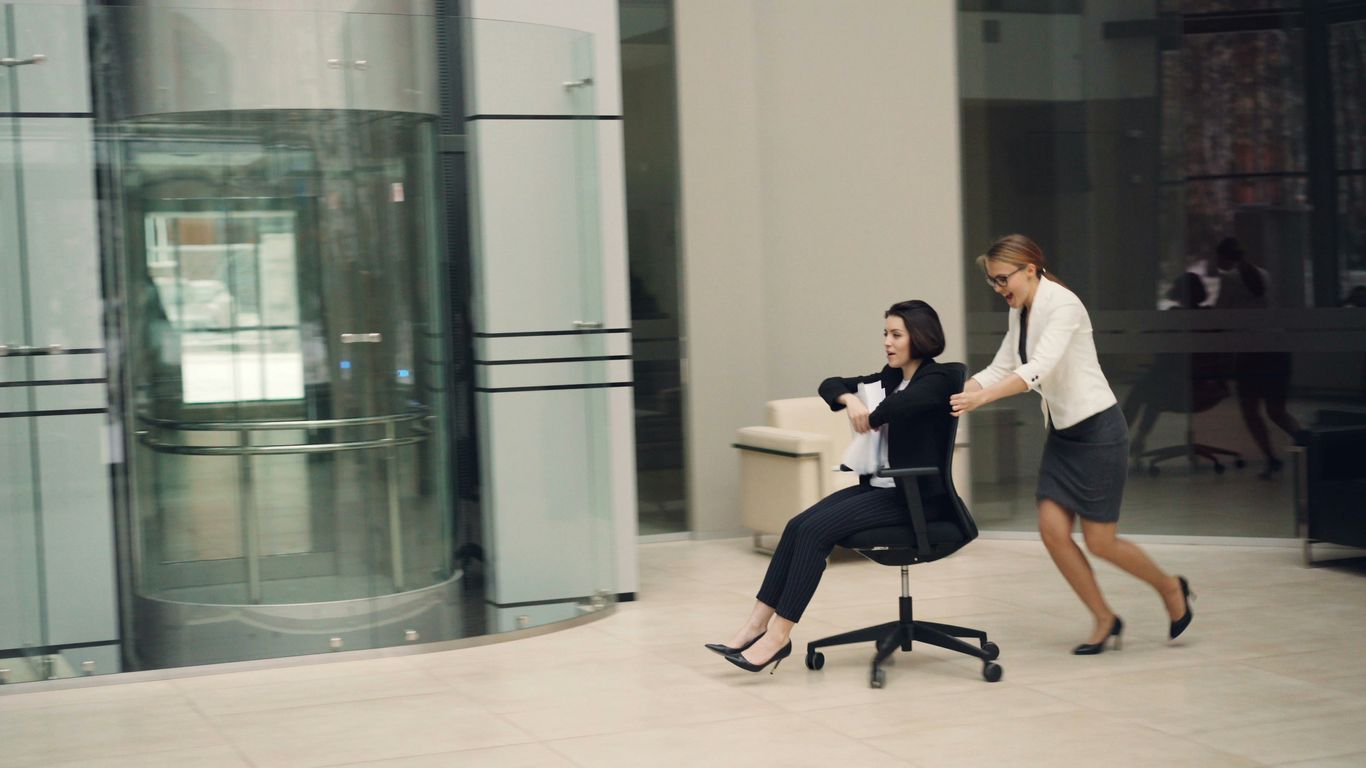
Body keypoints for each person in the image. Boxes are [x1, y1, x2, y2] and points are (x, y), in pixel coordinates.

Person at [949, 235, 1193, 653]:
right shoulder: (1021, 310)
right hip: (1064, 434)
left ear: (1029, 269)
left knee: (1101, 542)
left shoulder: (1063, 305)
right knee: (1052, 531)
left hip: (1098, 432)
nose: (998, 288)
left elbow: (1038, 368)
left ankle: (1171, 587)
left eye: (1002, 279)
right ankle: (1104, 618)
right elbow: (1002, 367)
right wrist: (957, 393)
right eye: (992, 281)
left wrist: (982, 399)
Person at [707, 300, 958, 673]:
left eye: (896, 335)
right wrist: (850, 398)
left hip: (914, 498)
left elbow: (901, 407)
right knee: (796, 526)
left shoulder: (941, 377)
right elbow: (830, 385)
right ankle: (755, 627)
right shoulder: (888, 379)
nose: (887, 342)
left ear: (920, 337)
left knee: (814, 533)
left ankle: (778, 637)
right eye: (885, 334)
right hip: (880, 490)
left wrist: (868, 410)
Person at [1213, 237, 1302, 479]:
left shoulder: (1230, 279)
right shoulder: (1264, 274)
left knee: (1250, 409)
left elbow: (1219, 315)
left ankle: (1271, 458)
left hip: (1252, 353)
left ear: (1224, 257)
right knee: (1276, 411)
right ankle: (1310, 443)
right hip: (1277, 349)